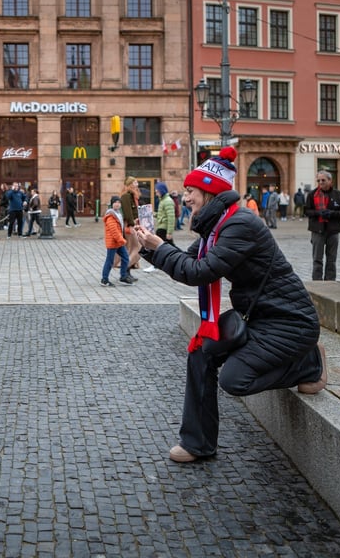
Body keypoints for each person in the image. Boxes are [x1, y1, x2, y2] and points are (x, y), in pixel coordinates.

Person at [134, 146, 327, 464]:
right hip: (259, 318)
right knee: (200, 353)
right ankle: (198, 443)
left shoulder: (241, 224)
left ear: (209, 190)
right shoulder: (217, 225)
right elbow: (189, 261)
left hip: (290, 322)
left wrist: (160, 248)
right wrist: (154, 248)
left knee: (234, 380)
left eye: (191, 191)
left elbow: (199, 272)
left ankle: (310, 363)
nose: (187, 198)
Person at [305, 170, 340, 281]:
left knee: (331, 260)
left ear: (330, 180)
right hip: (317, 230)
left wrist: (332, 213)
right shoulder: (312, 195)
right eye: (318, 180)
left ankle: (330, 282)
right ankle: (317, 283)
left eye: (323, 180)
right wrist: (318, 213)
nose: (320, 182)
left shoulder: (338, 195)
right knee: (317, 259)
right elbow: (307, 211)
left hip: (333, 230)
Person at [101, 196, 134, 286]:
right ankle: (104, 279)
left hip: (118, 242)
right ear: (112, 204)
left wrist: (127, 231)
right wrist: (122, 240)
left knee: (125, 257)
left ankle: (123, 277)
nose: (117, 204)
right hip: (113, 242)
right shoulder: (111, 216)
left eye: (119, 202)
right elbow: (114, 231)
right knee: (110, 261)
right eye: (115, 202)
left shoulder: (118, 214)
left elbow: (120, 228)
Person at [120, 176, 141, 278]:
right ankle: (125, 269)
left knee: (132, 248)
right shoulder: (126, 196)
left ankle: (127, 271)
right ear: (130, 184)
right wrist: (132, 224)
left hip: (133, 224)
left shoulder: (133, 195)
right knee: (136, 247)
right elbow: (128, 212)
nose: (137, 183)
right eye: (135, 182)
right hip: (129, 225)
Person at [154, 182, 175, 247]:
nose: (156, 194)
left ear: (162, 191)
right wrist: (154, 214)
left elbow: (171, 218)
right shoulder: (163, 200)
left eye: (157, 192)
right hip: (161, 227)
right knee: (165, 247)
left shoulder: (167, 201)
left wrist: (169, 232)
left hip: (164, 229)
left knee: (167, 247)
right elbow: (163, 214)